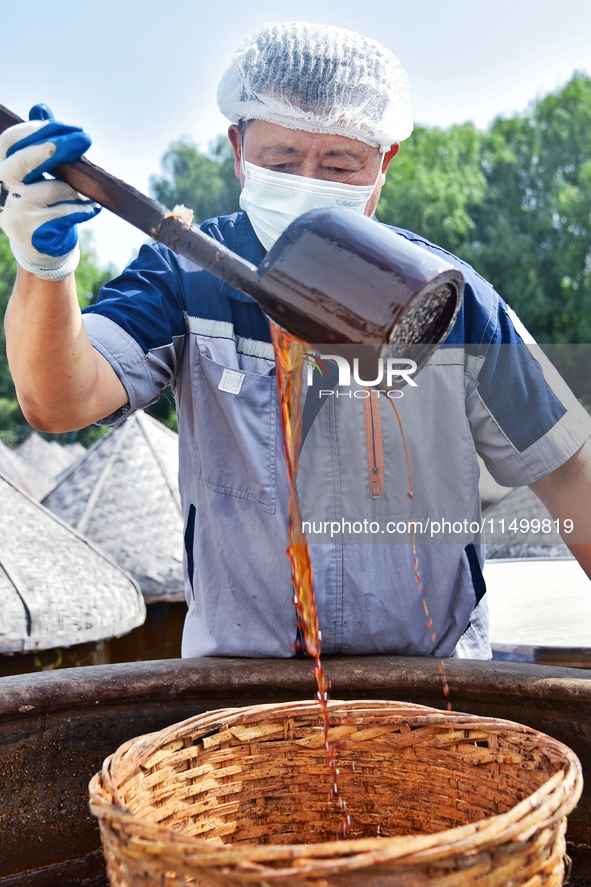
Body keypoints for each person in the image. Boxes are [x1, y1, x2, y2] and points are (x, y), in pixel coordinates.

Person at [3, 23, 591, 660]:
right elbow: (58, 400)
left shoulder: (453, 303)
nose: (308, 181)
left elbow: (571, 475)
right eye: (281, 162)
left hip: (431, 693)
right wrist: (45, 268)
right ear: (237, 149)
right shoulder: (184, 280)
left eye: (339, 164)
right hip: (240, 695)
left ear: (383, 165)